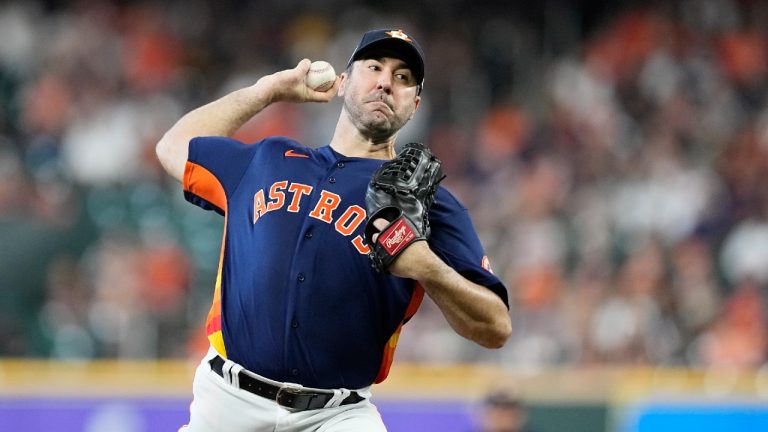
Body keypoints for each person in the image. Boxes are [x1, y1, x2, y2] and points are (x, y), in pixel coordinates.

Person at [156, 28, 511, 432]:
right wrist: (265, 92)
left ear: (415, 104)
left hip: (337, 415)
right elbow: (172, 146)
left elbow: (495, 327)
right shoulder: (269, 159)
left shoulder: (426, 202)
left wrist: (426, 266)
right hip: (227, 401)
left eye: (402, 77)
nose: (384, 82)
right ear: (342, 82)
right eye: (374, 67)